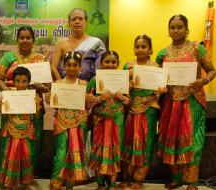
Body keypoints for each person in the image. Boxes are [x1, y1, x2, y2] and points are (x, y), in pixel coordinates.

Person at [156, 14, 215, 190]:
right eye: (172, 27)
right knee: (171, 141)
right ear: (168, 30)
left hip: (192, 101)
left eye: (180, 27)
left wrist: (202, 81)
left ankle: (191, 181)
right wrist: (160, 87)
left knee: (192, 141)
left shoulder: (198, 48)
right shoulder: (163, 53)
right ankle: (176, 178)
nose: (176, 30)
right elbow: (158, 77)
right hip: (171, 102)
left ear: (187, 29)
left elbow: (212, 70)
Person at [0, 26, 49, 168]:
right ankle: (8, 174)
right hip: (12, 107)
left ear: (33, 40)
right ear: (17, 40)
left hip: (33, 108)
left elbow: (48, 86)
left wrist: (43, 89)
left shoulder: (41, 59)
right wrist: (10, 93)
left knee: (32, 142)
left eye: (28, 38)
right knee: (9, 142)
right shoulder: (8, 58)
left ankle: (27, 175)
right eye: (22, 38)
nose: (25, 41)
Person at [119, 35, 165, 189]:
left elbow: (160, 91)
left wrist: (161, 91)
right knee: (128, 141)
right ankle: (125, 178)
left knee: (146, 142)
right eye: (137, 46)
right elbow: (121, 89)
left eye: (143, 46)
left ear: (150, 49)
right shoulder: (128, 67)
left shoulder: (156, 67)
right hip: (130, 109)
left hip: (149, 109)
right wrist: (130, 84)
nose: (140, 49)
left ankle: (139, 179)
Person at [86, 51, 130, 190]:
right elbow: (85, 102)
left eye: (113, 62)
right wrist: (99, 98)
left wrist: (121, 97)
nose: (110, 65)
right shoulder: (94, 80)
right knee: (98, 150)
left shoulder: (123, 79)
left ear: (117, 64)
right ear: (101, 63)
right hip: (99, 121)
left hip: (117, 121)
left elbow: (129, 102)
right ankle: (100, 183)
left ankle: (112, 183)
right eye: (107, 62)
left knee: (114, 151)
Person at [0, 67, 42, 189]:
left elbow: (36, 118)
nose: (21, 84)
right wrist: (1, 105)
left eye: (24, 81)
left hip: (27, 130)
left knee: (26, 156)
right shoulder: (8, 95)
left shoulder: (33, 97)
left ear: (28, 82)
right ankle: (9, 181)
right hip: (11, 130)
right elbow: (4, 115)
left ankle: (23, 181)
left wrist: (37, 108)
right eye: (17, 81)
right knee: (10, 155)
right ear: (13, 81)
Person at [50, 51, 89, 190]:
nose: (71, 68)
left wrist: (92, 100)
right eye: (68, 65)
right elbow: (54, 105)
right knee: (61, 152)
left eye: (75, 65)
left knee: (75, 151)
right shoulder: (58, 83)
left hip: (79, 123)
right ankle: (56, 182)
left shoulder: (84, 84)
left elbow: (88, 106)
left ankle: (70, 183)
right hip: (61, 122)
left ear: (80, 67)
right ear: (63, 67)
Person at [51, 8, 105, 82]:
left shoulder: (96, 43)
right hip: (64, 89)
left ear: (86, 22)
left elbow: (102, 69)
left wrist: (89, 87)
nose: (77, 22)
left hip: (88, 89)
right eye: (74, 19)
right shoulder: (61, 43)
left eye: (80, 19)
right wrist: (60, 82)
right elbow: (54, 67)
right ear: (69, 23)